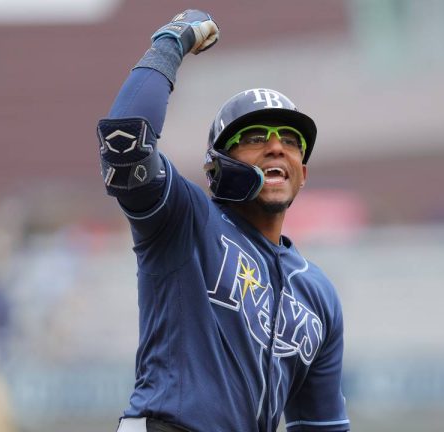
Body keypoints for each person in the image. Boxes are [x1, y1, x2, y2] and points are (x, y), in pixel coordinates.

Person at [95, 10, 350, 432]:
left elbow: (323, 426)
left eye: (291, 141)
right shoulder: (186, 220)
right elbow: (126, 144)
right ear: (219, 165)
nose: (276, 148)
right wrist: (168, 45)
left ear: (302, 172)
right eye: (253, 138)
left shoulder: (318, 294)